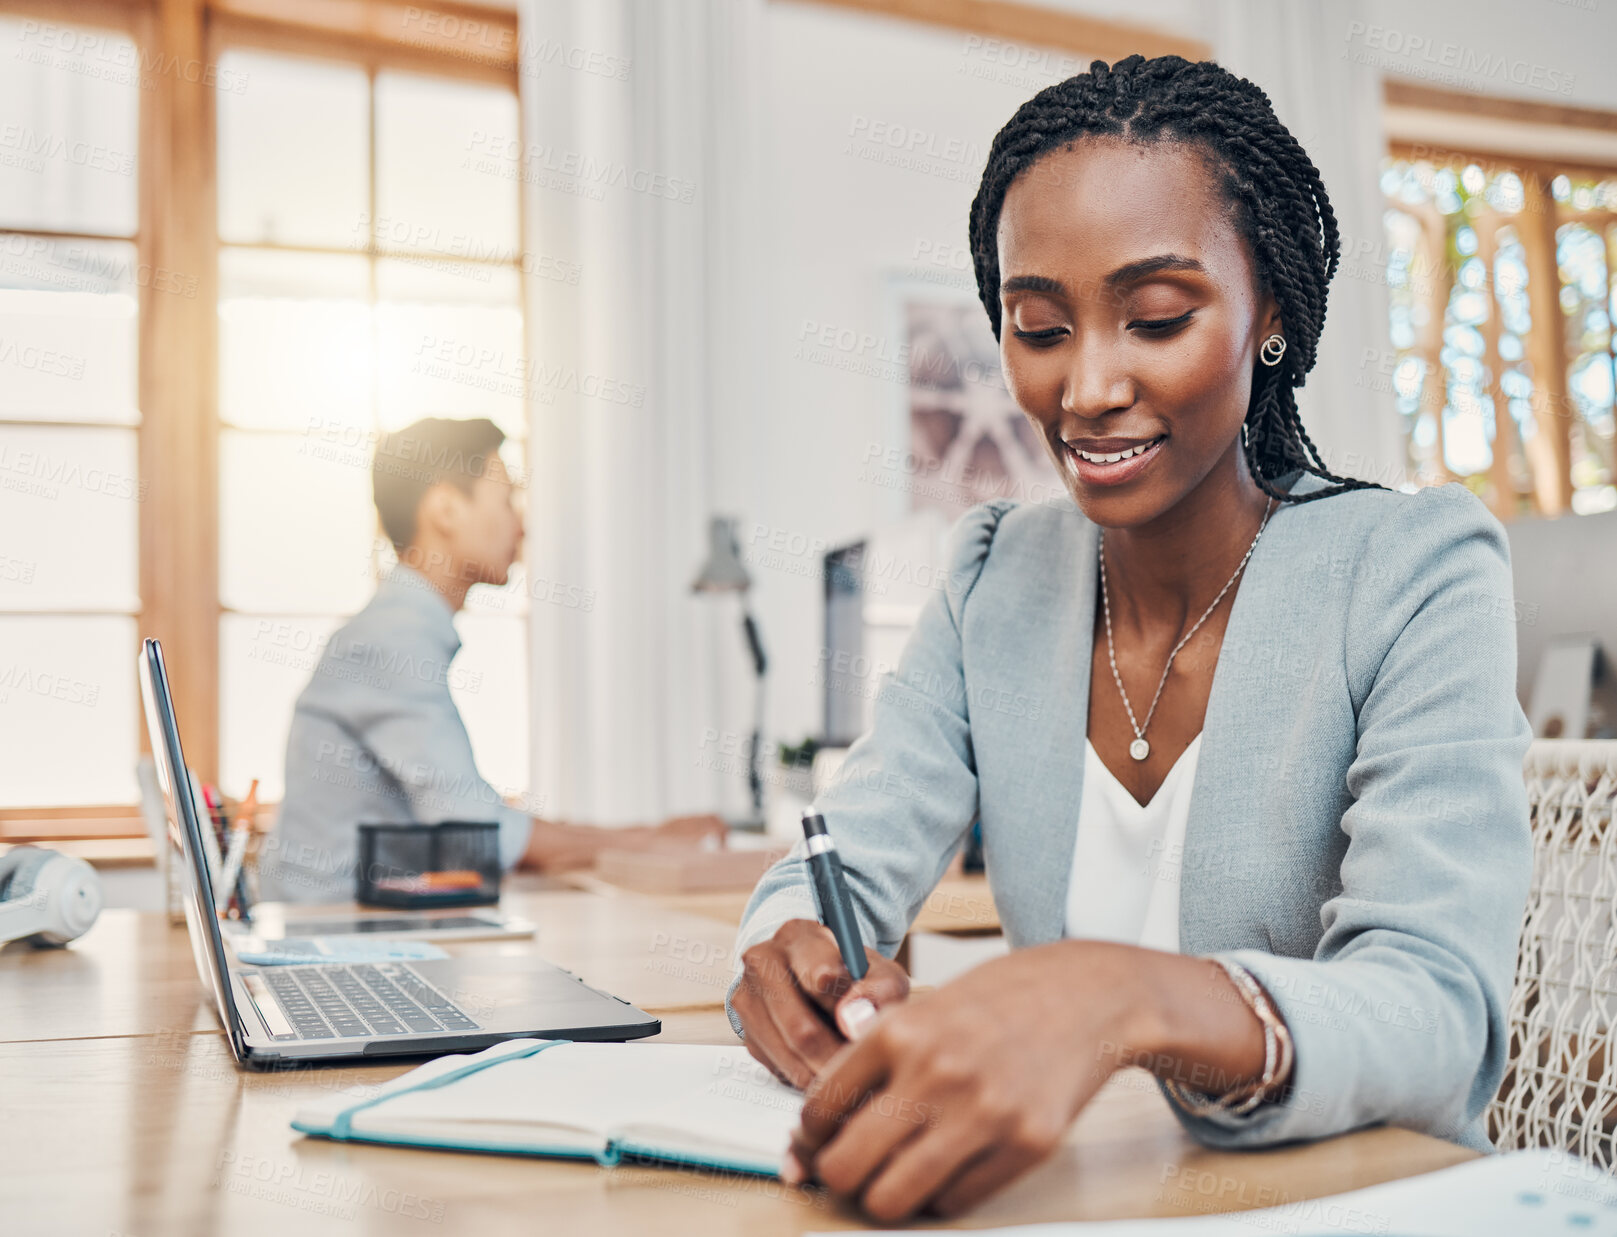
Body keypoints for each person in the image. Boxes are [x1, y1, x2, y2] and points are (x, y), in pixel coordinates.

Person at [726, 55, 1532, 1222]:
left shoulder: (1414, 569)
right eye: (1039, 326)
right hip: (1084, 1199)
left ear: (1273, 316)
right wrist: (789, 936)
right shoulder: (998, 575)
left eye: (1156, 318)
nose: (1088, 385)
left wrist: (1116, 998)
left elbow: (1439, 1014)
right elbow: (845, 849)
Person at [258, 416, 725, 902]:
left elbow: (470, 811)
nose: (521, 524)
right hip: (326, 931)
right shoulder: (391, 641)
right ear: (445, 510)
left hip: (350, 919)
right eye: (505, 501)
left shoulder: (395, 630)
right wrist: (648, 841)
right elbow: (479, 830)